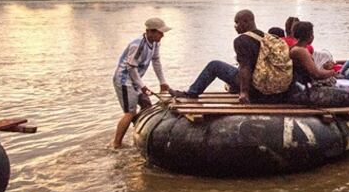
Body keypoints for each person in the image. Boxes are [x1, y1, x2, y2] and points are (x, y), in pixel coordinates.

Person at [175, 9, 286, 104]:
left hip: (255, 89)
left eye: (237, 23)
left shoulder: (242, 40)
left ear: (246, 22)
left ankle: (191, 93)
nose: (235, 26)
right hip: (272, 89)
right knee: (235, 71)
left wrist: (244, 92)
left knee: (214, 65)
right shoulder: (267, 38)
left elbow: (245, 67)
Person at [111, 17, 172, 148]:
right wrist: (143, 86)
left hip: (135, 80)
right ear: (151, 31)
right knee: (130, 112)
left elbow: (156, 61)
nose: (162, 35)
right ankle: (116, 144)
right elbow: (130, 68)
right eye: (160, 33)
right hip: (124, 80)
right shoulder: (137, 45)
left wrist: (162, 82)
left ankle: (138, 133)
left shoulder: (155, 43)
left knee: (146, 105)